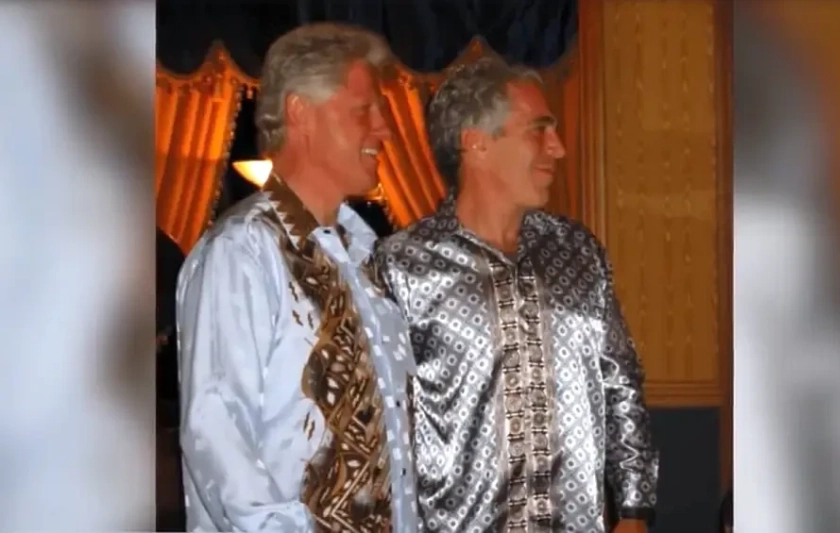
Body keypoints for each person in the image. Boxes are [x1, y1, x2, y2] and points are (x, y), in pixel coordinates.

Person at [376, 57, 659, 533]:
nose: (558, 148)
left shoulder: (578, 252)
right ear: (477, 143)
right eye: (539, 130)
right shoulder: (401, 265)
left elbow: (622, 384)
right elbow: (383, 426)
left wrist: (634, 512)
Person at [175, 23, 418, 532]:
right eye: (363, 111)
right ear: (300, 113)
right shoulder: (243, 250)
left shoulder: (366, 260)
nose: (384, 130)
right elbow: (217, 432)